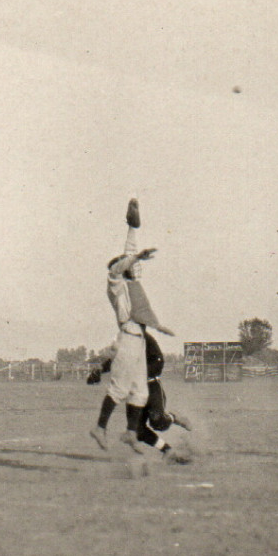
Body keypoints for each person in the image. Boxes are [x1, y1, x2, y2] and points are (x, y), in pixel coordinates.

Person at [92, 198, 174, 453]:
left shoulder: (130, 283)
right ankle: (100, 427)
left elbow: (129, 254)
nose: (135, 268)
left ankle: (130, 433)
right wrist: (136, 256)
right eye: (132, 266)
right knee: (118, 388)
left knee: (140, 392)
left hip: (138, 340)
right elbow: (123, 262)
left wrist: (133, 228)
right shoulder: (115, 283)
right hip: (127, 337)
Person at [88, 329, 194, 462]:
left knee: (158, 421)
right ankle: (167, 450)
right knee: (137, 430)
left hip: (151, 386)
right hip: (135, 392)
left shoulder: (144, 338)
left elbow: (159, 361)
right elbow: (118, 361)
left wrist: (140, 374)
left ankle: (174, 417)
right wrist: (100, 370)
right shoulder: (125, 341)